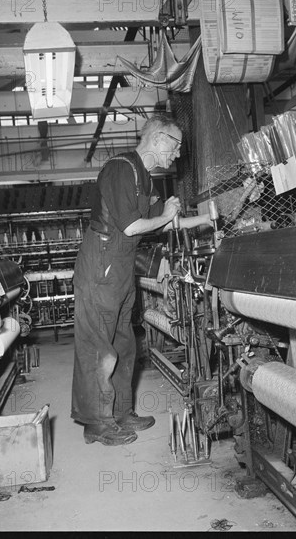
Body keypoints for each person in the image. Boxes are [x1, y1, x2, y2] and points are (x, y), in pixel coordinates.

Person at [71, 115, 212, 446]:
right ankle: (96, 422)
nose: (177, 155)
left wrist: (209, 218)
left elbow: (164, 224)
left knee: (123, 343)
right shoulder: (122, 168)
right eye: (175, 147)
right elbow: (134, 226)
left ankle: (120, 412)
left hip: (120, 269)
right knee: (98, 349)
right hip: (100, 266)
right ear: (159, 139)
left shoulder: (145, 179)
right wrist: (166, 215)